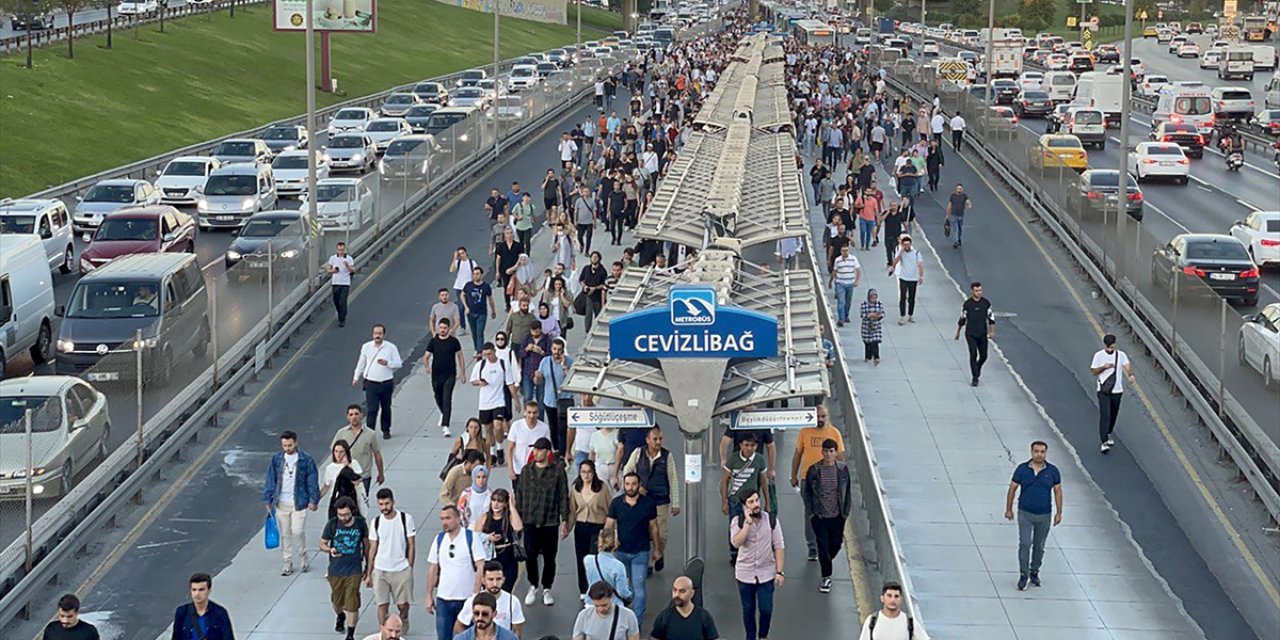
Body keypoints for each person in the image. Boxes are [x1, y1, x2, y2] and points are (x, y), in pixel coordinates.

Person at [515, 437, 570, 607]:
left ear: (547, 452)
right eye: (534, 449)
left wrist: (564, 520)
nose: (535, 452)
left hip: (550, 521)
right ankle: (533, 584)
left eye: (539, 449)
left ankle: (547, 587)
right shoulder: (526, 471)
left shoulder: (557, 471)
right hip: (530, 521)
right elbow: (520, 495)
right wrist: (517, 518)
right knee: (530, 555)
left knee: (549, 557)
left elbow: (562, 495)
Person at [1004, 441, 1064, 591]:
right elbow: (1012, 488)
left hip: (1044, 514)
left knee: (1039, 546)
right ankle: (1024, 574)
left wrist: (1059, 512)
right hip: (1025, 513)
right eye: (1036, 451)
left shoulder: (1053, 471)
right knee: (1025, 543)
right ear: (1031, 452)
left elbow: (1058, 491)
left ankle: (1034, 571)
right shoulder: (1022, 470)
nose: (1039, 454)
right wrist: (1009, 509)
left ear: (1046, 453)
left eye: (1042, 451)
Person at [620, 426, 679, 572]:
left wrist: (676, 503)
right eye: (655, 439)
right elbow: (627, 470)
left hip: (660, 500)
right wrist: (636, 487)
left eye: (660, 439)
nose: (658, 442)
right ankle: (649, 563)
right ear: (647, 440)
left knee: (662, 533)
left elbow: (673, 479)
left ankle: (659, 553)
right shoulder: (638, 453)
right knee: (645, 532)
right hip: (643, 500)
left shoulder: (667, 456)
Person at [789, 406, 844, 561]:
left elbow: (840, 459)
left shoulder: (834, 433)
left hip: (829, 479)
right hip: (808, 479)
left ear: (827, 416)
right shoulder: (804, 432)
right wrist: (793, 476)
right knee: (810, 512)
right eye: (817, 416)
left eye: (823, 416)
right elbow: (797, 455)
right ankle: (812, 546)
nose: (820, 419)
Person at [262, 430, 320, 576]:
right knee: (285, 534)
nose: (287, 448)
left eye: (289, 445)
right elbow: (271, 479)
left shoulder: (306, 459)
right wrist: (267, 499)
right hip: (281, 502)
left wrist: (314, 499)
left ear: (296, 443)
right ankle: (287, 562)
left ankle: (302, 555)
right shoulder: (277, 459)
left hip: (299, 502)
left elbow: (312, 480)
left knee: (298, 531)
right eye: (284, 445)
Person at [729, 490, 784, 640]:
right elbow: (736, 542)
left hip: (766, 572)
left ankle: (763, 636)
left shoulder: (771, 520)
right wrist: (747, 523)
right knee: (748, 609)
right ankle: (750, 637)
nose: (755, 505)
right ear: (744, 506)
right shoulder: (737, 522)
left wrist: (779, 572)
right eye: (751, 502)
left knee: (766, 609)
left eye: (756, 500)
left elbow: (779, 546)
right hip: (745, 574)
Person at [605, 472, 658, 624]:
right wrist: (605, 547)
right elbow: (609, 526)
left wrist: (657, 550)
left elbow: (654, 528)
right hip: (620, 552)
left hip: (641, 551)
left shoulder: (648, 504)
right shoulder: (616, 504)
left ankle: (637, 620)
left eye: (634, 484)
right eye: (627, 484)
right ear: (623, 484)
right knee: (623, 585)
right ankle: (624, 613)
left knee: (638, 585)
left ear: (639, 485)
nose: (630, 487)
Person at [427, 505, 487, 640]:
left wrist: (475, 594)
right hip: (444, 599)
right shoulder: (439, 539)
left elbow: (480, 566)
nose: (444, 522)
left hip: (466, 599)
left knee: (469, 636)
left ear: (458, 518)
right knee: (443, 637)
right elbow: (433, 568)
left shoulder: (471, 537)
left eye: (448, 518)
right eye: (442, 519)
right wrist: (429, 594)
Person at [801, 439, 851, 594]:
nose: (829, 454)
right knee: (822, 547)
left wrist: (845, 512)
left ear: (836, 452)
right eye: (826, 451)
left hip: (837, 516)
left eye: (832, 451)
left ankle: (827, 560)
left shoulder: (842, 470)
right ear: (822, 452)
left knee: (835, 544)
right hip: (820, 516)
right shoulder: (814, 470)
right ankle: (826, 577)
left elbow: (847, 492)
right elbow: (807, 493)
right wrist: (811, 513)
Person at [367, 489, 417, 634]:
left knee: (403, 605)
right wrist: (369, 573)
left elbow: (411, 544)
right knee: (382, 605)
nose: (384, 507)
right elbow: (372, 549)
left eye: (387, 503)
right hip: (380, 570)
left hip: (401, 569)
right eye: (381, 504)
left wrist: (410, 567)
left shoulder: (405, 519)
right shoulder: (375, 522)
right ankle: (385, 631)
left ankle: (403, 621)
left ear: (393, 502)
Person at [321, 497, 370, 640]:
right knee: (337, 602)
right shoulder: (332, 524)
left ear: (352, 512)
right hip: (336, 570)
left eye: (347, 514)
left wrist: (368, 565)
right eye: (341, 514)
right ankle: (340, 615)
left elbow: (366, 545)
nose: (344, 518)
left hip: (354, 569)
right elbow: (322, 544)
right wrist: (330, 550)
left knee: (352, 601)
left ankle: (350, 634)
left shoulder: (360, 524)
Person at [720, 433, 768, 564]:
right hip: (735, 500)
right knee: (735, 525)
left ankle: (750, 550)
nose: (749, 448)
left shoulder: (759, 460)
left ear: (756, 446)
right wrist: (724, 501)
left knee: (753, 525)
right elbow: (724, 481)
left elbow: (764, 482)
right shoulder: (733, 460)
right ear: (741, 445)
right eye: (746, 445)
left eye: (752, 445)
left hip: (752, 501)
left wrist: (767, 502)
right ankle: (734, 552)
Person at [569, 459, 613, 598]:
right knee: (581, 558)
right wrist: (567, 528)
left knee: (594, 558)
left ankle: (596, 587)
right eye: (583, 472)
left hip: (597, 527)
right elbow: (572, 510)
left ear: (593, 473)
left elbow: (610, 509)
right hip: (581, 526)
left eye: (589, 472)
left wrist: (609, 530)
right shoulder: (576, 488)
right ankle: (583, 589)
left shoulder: (602, 488)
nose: (586, 475)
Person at [353, 324, 403, 439]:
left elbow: (398, 363)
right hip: (371, 383)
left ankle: (386, 430)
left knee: (386, 407)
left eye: (380, 334)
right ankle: (369, 432)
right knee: (372, 408)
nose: (377, 336)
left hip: (386, 382)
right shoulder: (366, 347)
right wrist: (356, 377)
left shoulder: (391, 347)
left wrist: (388, 363)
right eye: (375, 333)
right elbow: (361, 362)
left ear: (384, 335)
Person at [473, 342, 519, 465]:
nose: (488, 357)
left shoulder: (503, 364)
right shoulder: (480, 365)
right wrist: (479, 382)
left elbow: (510, 383)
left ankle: (499, 447)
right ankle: (492, 452)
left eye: (489, 354)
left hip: (499, 401)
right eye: (485, 354)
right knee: (488, 429)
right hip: (485, 402)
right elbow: (473, 381)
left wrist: (516, 400)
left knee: (498, 426)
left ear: (494, 351)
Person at [1091, 334, 1136, 454]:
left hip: (1117, 390)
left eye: (1112, 347)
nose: (1110, 350)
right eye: (1108, 348)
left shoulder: (1120, 355)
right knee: (1105, 415)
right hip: (1103, 390)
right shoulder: (1099, 355)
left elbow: (1127, 366)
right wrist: (1104, 367)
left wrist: (1130, 375)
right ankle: (1104, 441)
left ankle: (1108, 432)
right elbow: (1094, 371)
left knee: (1113, 414)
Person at [455, 561, 527, 636]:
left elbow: (517, 630)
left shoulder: (513, 601)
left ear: (503, 580)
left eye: (498, 579)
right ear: (483, 580)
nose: (495, 584)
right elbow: (459, 626)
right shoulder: (473, 600)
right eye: (491, 579)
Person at [475, 488, 525, 593]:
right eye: (493, 500)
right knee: (491, 591)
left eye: (500, 501)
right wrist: (488, 537)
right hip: (490, 558)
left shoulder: (509, 517)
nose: (496, 504)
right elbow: (475, 537)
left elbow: (518, 527)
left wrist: (512, 506)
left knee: (506, 590)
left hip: (508, 558)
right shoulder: (484, 517)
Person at [331, 403, 385, 495]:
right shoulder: (341, 433)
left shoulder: (370, 434)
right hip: (345, 476)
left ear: (361, 415)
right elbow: (334, 453)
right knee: (346, 504)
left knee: (362, 504)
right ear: (347, 417)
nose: (354, 417)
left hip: (363, 477)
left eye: (356, 414)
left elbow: (377, 454)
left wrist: (381, 474)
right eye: (351, 414)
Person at [425, 319, 467, 437]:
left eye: (445, 328)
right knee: (438, 396)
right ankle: (443, 413)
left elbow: (460, 357)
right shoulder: (433, 342)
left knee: (447, 398)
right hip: (436, 375)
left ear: (449, 329)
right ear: (438, 328)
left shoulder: (454, 342)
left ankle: (446, 426)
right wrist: (427, 366)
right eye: (441, 328)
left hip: (450, 374)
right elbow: (426, 356)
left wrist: (462, 373)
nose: (442, 330)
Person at [649, 576, 719, 640]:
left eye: (682, 591)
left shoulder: (703, 617)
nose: (677, 594)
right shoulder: (664, 617)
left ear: (692, 593)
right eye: (675, 590)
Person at [537, 338, 575, 457]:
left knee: (563, 428)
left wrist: (564, 367)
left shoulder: (570, 361)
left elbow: (573, 379)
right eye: (554, 349)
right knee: (553, 428)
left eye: (559, 350)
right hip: (550, 400)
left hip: (565, 400)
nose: (556, 352)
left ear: (563, 350)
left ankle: (563, 452)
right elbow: (538, 380)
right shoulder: (545, 361)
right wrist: (537, 377)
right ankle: (557, 449)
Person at [954, 281, 996, 387]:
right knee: (973, 354)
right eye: (976, 291)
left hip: (982, 333)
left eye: (980, 290)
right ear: (972, 291)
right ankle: (975, 377)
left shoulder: (986, 303)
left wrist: (992, 331)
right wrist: (958, 332)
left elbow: (991, 318)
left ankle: (978, 367)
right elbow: (962, 319)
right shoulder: (967, 304)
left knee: (984, 355)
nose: (979, 292)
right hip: (971, 333)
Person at [856, 582, 930, 640]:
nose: (893, 600)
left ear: (901, 599)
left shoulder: (909, 622)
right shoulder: (872, 621)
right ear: (882, 598)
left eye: (896, 596)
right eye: (889, 595)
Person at [170, 573, 235, 640]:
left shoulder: (220, 613)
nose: (197, 594)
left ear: (209, 591)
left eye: (201, 590)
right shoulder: (182, 612)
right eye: (194, 590)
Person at [572, 581, 641, 640]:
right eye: (597, 606)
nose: (601, 609)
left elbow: (634, 638)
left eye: (604, 605)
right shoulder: (584, 615)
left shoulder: (628, 615)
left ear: (611, 597)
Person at [582, 528, 633, 608]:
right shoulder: (618, 566)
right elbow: (622, 592)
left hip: (592, 602)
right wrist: (630, 593)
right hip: (612, 604)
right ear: (616, 544)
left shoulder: (588, 560)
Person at [506, 402, 552, 486]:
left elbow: (548, 449)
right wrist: (510, 469)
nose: (531, 416)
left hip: (536, 470)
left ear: (538, 413)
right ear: (525, 412)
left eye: (534, 413)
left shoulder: (544, 428)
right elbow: (510, 449)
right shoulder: (516, 426)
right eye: (529, 412)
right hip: (518, 470)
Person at [322, 441, 368, 521]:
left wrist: (347, 466)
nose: (338, 454)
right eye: (336, 451)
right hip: (336, 499)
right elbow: (327, 486)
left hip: (352, 499)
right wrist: (315, 499)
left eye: (341, 451)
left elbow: (357, 481)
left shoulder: (353, 464)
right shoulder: (330, 468)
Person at [888, 235, 923, 325]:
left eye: (908, 244)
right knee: (902, 297)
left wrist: (921, 276)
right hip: (903, 277)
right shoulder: (901, 253)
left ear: (911, 244)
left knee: (912, 298)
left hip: (913, 278)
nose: (907, 246)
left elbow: (920, 264)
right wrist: (893, 267)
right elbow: (896, 260)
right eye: (905, 245)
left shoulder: (916, 253)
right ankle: (902, 316)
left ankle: (910, 315)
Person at [829, 244, 861, 327]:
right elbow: (834, 271)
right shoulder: (837, 260)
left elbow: (858, 270)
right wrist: (831, 281)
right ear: (841, 251)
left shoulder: (853, 259)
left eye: (846, 250)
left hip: (850, 283)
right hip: (840, 283)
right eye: (843, 251)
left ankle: (846, 315)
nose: (845, 252)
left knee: (848, 302)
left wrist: (857, 281)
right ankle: (841, 319)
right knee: (841, 302)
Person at [327, 242, 356, 327]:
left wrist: (347, 266)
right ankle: (340, 313)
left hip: (345, 283)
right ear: (337, 250)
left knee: (342, 301)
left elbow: (353, 270)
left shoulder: (349, 259)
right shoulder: (333, 258)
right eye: (339, 250)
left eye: (342, 250)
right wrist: (333, 271)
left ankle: (342, 319)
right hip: (336, 283)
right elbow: (328, 269)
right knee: (336, 301)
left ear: (345, 249)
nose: (341, 252)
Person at [859, 289, 885, 365]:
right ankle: (868, 356)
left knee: (875, 342)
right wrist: (869, 316)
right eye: (872, 297)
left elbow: (882, 313)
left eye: (875, 297)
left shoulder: (879, 304)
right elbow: (862, 315)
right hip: (866, 327)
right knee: (868, 343)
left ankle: (876, 357)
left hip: (876, 326)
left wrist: (878, 316)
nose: (874, 299)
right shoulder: (864, 304)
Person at [944, 183, 971, 249]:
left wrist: (968, 205)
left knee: (960, 228)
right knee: (956, 229)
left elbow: (968, 202)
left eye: (960, 189)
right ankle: (956, 241)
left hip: (961, 215)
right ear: (956, 189)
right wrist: (947, 215)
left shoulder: (964, 196)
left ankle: (959, 239)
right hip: (954, 215)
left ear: (962, 189)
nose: (959, 190)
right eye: (958, 188)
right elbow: (949, 205)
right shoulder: (953, 196)